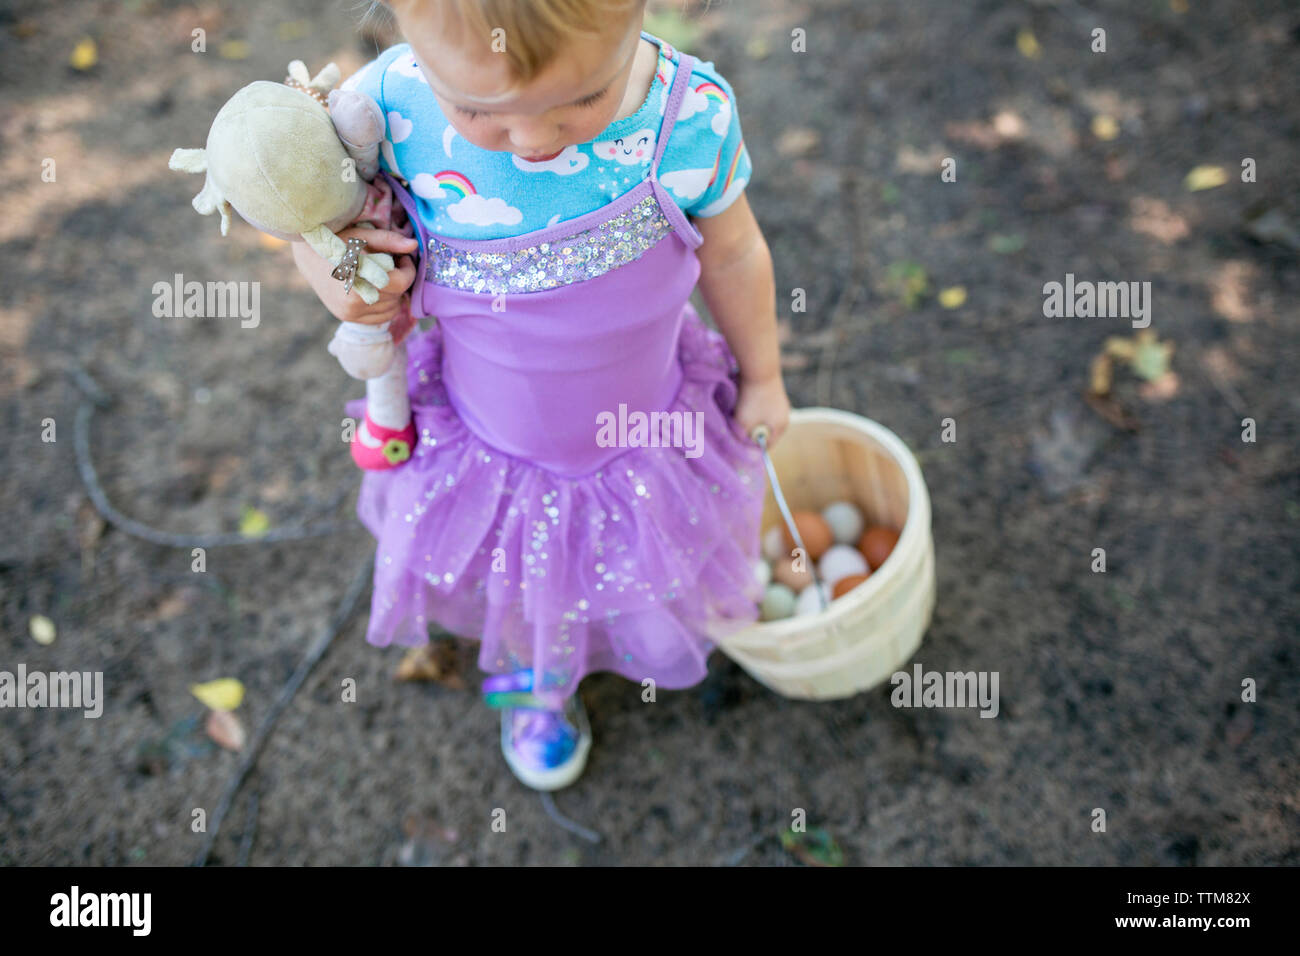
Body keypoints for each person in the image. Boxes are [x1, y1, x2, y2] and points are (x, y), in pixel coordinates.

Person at [292, 0, 790, 790]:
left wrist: (762, 375)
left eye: (581, 98)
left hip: (648, 425)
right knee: (524, 583)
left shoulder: (686, 118)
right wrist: (335, 274)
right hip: (498, 444)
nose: (534, 140)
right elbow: (323, 226)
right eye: (480, 110)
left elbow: (733, 255)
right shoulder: (381, 117)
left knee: (649, 546)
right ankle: (540, 688)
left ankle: (639, 631)